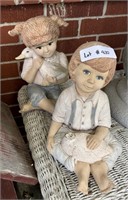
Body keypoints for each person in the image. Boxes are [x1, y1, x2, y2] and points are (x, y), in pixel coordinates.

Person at [47, 41, 122, 194]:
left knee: (117, 147)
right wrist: (51, 136)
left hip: (94, 131)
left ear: (106, 80)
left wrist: (99, 136)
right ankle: (79, 167)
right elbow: (58, 118)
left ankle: (101, 169)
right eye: (87, 72)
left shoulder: (102, 98)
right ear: (74, 70)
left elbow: (104, 124)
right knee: (52, 146)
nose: (91, 80)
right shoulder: (66, 95)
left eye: (99, 77)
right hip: (69, 131)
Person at [8, 15, 69, 114]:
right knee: (36, 94)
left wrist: (55, 81)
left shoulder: (60, 56)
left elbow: (66, 77)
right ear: (31, 48)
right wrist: (34, 67)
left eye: (50, 44)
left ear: (56, 39)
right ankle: (57, 116)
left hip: (54, 86)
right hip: (36, 86)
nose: (46, 50)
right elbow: (28, 79)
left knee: (61, 101)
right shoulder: (31, 59)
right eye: (39, 47)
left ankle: (35, 105)